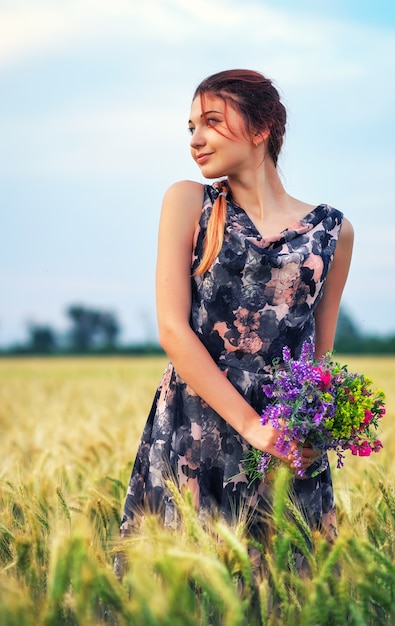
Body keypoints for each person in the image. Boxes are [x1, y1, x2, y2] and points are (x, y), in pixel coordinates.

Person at [118, 69, 353, 552]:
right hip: (196, 431)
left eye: (210, 122)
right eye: (190, 128)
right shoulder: (189, 202)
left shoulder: (334, 232)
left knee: (290, 595)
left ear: (260, 127)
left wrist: (312, 430)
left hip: (281, 443)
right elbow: (172, 329)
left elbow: (318, 358)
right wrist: (251, 425)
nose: (196, 139)